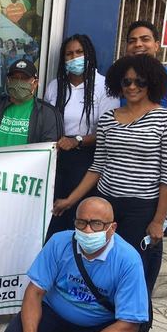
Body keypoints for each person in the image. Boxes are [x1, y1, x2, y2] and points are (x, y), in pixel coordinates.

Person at [52, 55, 167, 296]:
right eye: (126, 82)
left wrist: (157, 220)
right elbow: (97, 167)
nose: (132, 87)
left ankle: (132, 326)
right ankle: (100, 318)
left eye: (139, 82)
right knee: (100, 266)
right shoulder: (107, 120)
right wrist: (71, 200)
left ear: (151, 83)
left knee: (134, 271)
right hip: (106, 206)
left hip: (141, 210)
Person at [3, 197, 148, 332]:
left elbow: (128, 326)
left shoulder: (128, 260)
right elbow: (34, 292)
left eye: (97, 224)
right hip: (57, 313)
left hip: (100, 323)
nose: (88, 230)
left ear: (112, 228)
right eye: (82, 222)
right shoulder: (59, 242)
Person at [45, 35, 120, 238]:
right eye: (69, 54)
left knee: (78, 215)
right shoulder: (55, 86)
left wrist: (77, 140)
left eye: (79, 52)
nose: (74, 57)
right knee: (53, 216)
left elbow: (107, 131)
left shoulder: (104, 87)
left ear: (89, 55)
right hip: (57, 159)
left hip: (86, 160)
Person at [125, 20, 167, 169]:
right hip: (117, 175)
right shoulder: (121, 81)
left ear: (156, 45)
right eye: (132, 41)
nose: (138, 44)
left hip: (153, 179)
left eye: (145, 39)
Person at [0, 60, 62, 148]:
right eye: (14, 78)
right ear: (8, 81)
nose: (18, 82)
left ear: (35, 83)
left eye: (24, 78)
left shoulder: (47, 113)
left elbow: (47, 149)